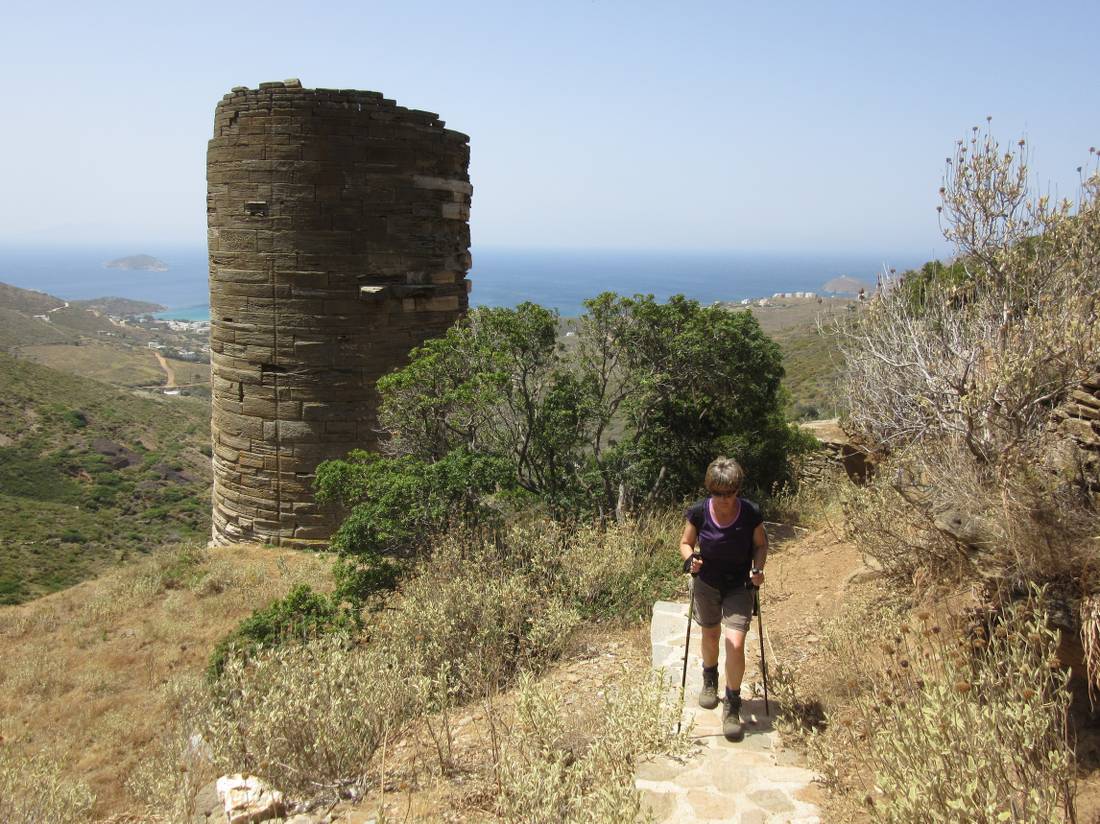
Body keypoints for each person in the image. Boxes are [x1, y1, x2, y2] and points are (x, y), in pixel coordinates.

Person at [679, 456, 767, 741]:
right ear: (710, 490)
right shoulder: (699, 512)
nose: (723, 499)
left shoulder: (750, 513)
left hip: (740, 586)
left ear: (737, 489)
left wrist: (758, 568)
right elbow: (685, 543)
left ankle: (732, 702)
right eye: (717, 493)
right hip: (707, 583)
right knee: (711, 636)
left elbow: (761, 545)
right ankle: (709, 680)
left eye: (728, 493)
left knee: (736, 642)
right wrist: (691, 559)